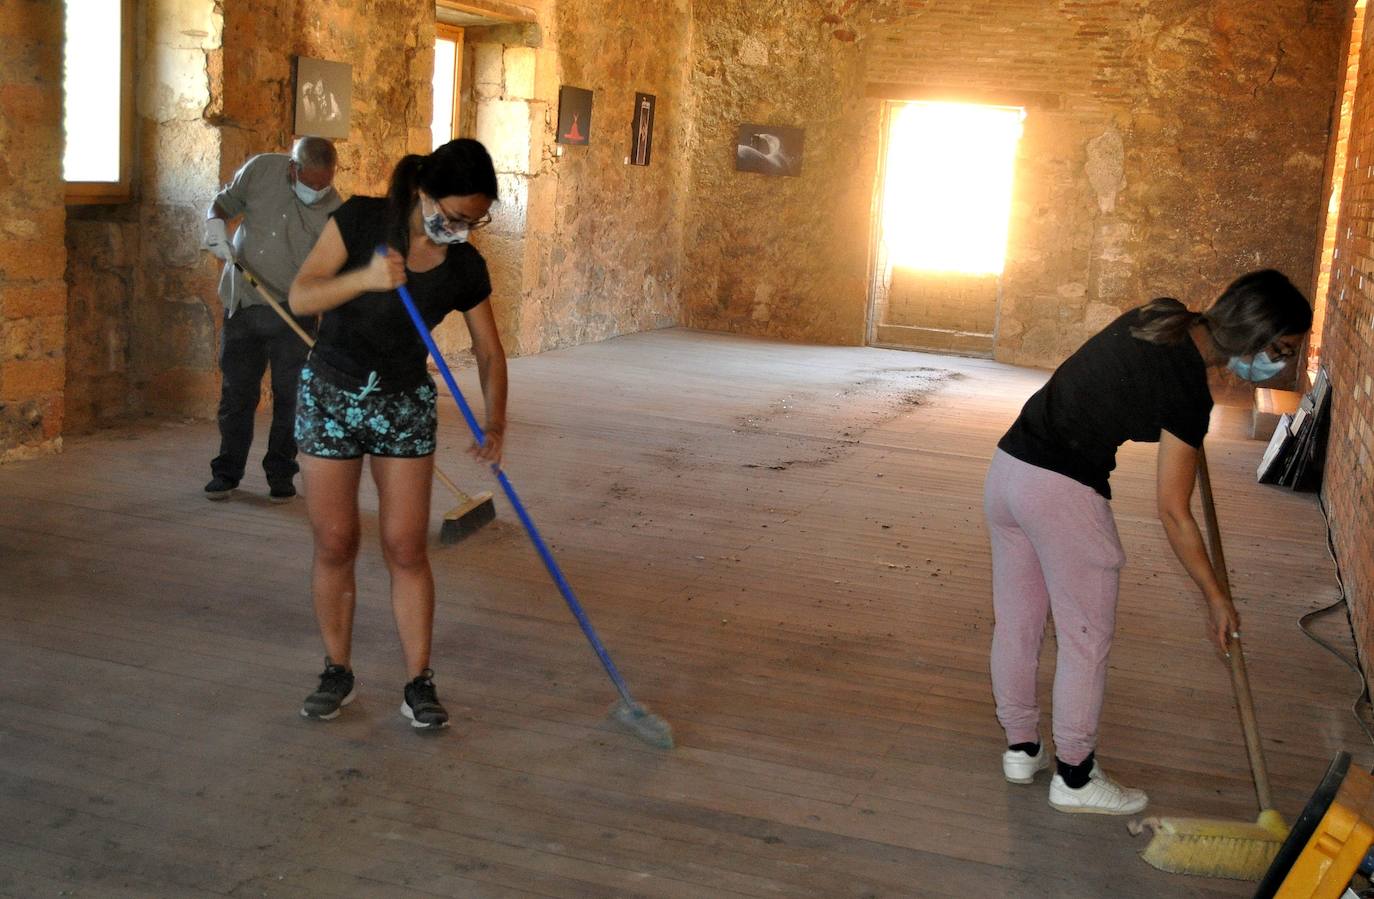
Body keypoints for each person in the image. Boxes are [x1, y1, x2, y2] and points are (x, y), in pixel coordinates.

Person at [985, 270, 1311, 814]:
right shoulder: (1187, 393)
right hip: (1061, 491)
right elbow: (1173, 512)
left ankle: (1021, 749)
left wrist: (1184, 425)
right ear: (1261, 338)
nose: (1283, 365)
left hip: (1008, 471)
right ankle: (1075, 777)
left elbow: (1120, 390)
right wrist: (1215, 595)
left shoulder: (1159, 317)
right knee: (1085, 638)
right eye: (1286, 351)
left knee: (1018, 621)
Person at [287, 138, 507, 730]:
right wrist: (365, 279)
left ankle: (419, 682)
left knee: (406, 547)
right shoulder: (360, 219)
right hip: (331, 394)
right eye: (456, 216)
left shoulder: (463, 264)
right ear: (425, 193)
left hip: (403, 405)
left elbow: (489, 351)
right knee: (335, 542)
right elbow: (302, 293)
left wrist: (494, 421)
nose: (462, 228)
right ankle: (337, 671)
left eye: (475, 220)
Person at [202, 136, 341, 502]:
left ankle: (280, 473)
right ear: (292, 169)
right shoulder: (260, 169)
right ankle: (227, 472)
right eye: (310, 183)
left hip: (294, 311)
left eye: (324, 183)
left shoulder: (333, 210)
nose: (318, 190)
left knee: (291, 398)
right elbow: (221, 205)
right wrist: (215, 227)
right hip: (245, 301)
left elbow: (330, 271)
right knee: (237, 395)